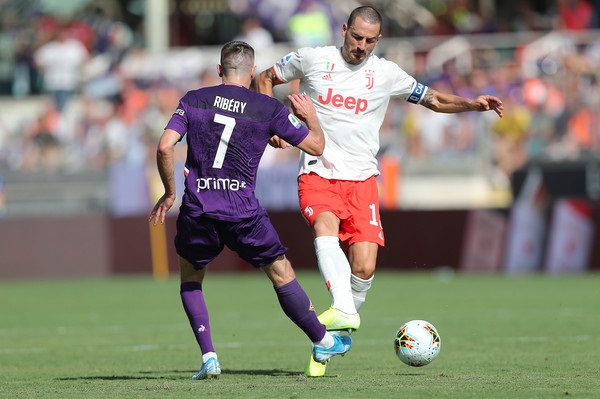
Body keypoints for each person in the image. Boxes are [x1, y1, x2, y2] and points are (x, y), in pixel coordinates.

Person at [255, 6, 503, 377]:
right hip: (318, 170)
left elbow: (434, 99)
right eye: (357, 37)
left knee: (365, 266)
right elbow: (263, 78)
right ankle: (343, 309)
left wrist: (472, 104)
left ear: (379, 40)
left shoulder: (385, 74)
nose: (362, 46)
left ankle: (331, 339)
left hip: (363, 180)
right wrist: (273, 124)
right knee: (325, 227)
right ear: (344, 30)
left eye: (370, 41)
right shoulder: (312, 59)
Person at [149, 41, 351, 380]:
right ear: (252, 72)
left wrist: (170, 193)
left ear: (219, 70)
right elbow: (315, 146)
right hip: (242, 211)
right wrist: (311, 119)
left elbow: (165, 145)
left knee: (191, 279)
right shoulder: (266, 107)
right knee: (281, 273)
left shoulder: (194, 99)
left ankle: (209, 356)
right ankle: (322, 339)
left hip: (198, 209)